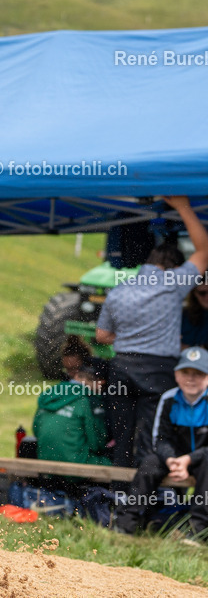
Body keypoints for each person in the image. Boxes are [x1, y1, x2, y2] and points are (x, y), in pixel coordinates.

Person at [96, 196, 208, 468]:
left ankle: (120, 499)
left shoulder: (119, 289)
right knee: (152, 437)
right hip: (157, 370)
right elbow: (204, 250)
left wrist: (129, 338)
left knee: (121, 437)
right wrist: (183, 206)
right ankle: (147, 502)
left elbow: (101, 336)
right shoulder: (173, 283)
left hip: (121, 366)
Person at [113, 346, 208, 542]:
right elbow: (160, 439)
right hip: (174, 458)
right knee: (149, 464)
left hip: (201, 459)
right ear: (176, 375)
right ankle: (126, 524)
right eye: (186, 373)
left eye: (198, 374)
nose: (191, 378)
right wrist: (172, 460)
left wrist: (188, 460)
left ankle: (197, 530)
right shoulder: (169, 399)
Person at [32, 336, 110, 467]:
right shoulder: (88, 400)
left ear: (82, 370)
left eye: (74, 369)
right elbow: (97, 443)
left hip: (44, 462)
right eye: (68, 370)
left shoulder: (51, 394)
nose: (71, 375)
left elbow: (36, 429)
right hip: (75, 466)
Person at [182, 277, 208, 350]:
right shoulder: (184, 316)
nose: (207, 297)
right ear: (194, 293)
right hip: (188, 358)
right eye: (202, 293)